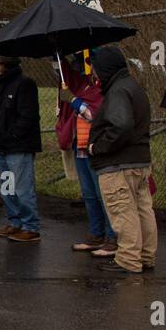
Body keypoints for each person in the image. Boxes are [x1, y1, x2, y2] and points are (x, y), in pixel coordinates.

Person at [87, 46, 156, 275]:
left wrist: (98, 147)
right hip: (139, 161)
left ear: (105, 69)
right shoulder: (134, 87)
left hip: (118, 165)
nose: (94, 75)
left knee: (123, 212)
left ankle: (127, 259)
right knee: (142, 210)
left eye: (96, 70)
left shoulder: (117, 91)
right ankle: (145, 255)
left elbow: (121, 125)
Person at [55, 55, 116, 255]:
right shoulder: (84, 87)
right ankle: (96, 234)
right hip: (80, 147)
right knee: (89, 195)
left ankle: (112, 237)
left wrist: (73, 101)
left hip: (94, 148)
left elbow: (93, 114)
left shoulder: (103, 89)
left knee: (101, 195)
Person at [0, 55, 42, 244]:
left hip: (18, 147)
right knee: (7, 188)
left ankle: (30, 226)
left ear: (6, 64)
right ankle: (15, 220)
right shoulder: (2, 85)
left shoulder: (25, 84)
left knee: (22, 187)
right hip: (3, 146)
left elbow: (28, 116)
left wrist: (12, 136)